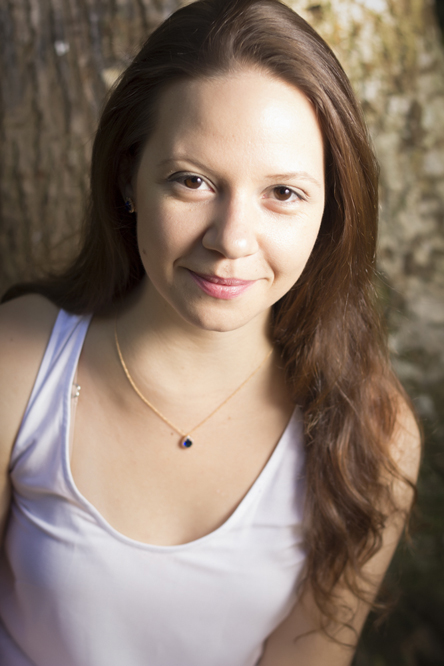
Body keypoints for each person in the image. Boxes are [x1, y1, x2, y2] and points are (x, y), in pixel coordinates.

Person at [0, 0, 421, 664]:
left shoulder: (370, 433)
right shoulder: (18, 360)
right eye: (192, 181)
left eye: (283, 192)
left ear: (330, 209)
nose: (231, 240)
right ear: (128, 177)